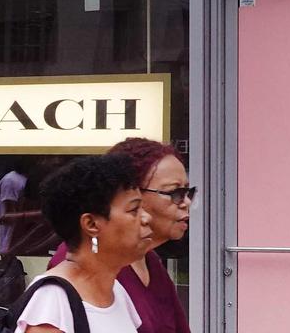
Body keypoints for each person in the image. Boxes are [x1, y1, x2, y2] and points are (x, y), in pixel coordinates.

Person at [47, 139, 193, 333]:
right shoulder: (67, 276)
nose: (186, 202)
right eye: (174, 192)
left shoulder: (147, 260)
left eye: (188, 192)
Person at [18, 154, 151, 333]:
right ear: (91, 224)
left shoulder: (115, 290)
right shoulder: (52, 302)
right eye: (134, 210)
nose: (146, 218)